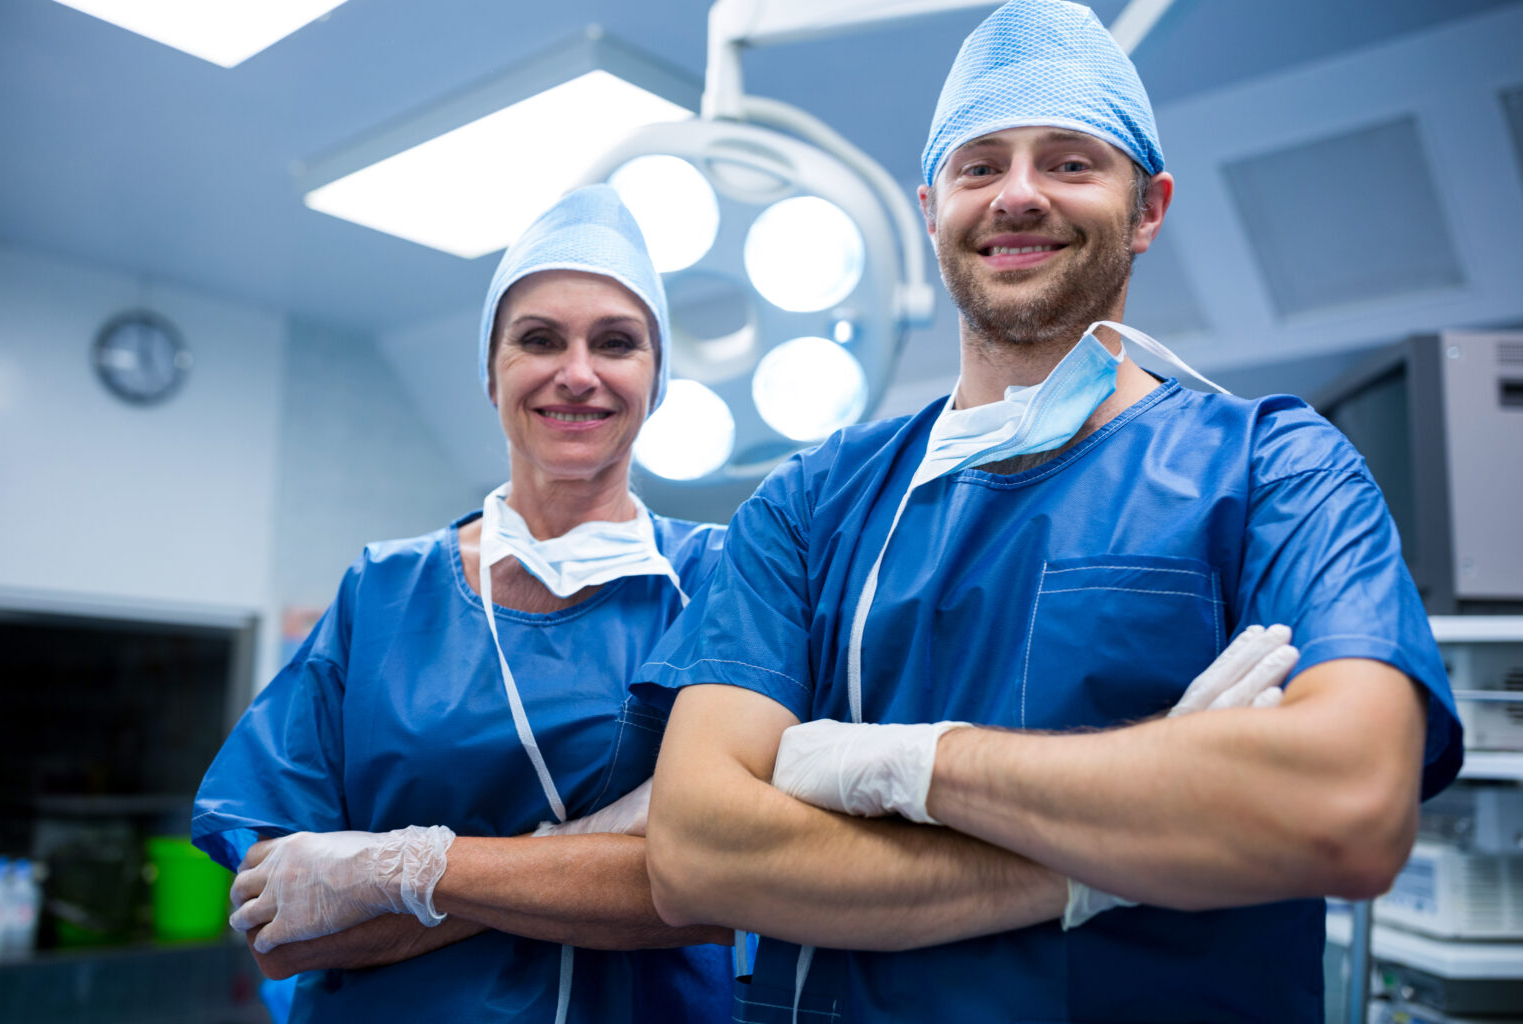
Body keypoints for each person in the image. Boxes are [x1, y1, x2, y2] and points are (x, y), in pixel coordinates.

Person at [635, 2, 1463, 1020]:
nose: (1018, 194)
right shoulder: (813, 505)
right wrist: (1146, 829)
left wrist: (903, 763)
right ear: (932, 209)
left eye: (1070, 162)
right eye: (980, 166)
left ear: (1149, 209)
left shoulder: (1276, 472)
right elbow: (697, 854)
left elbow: (1348, 805)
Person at [192, 185, 733, 1023]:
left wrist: (391, 873)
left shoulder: (724, 581)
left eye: (617, 342)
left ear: (657, 380)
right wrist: (610, 852)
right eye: (539, 339)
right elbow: (281, 931)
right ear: (490, 373)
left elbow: (734, 887)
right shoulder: (383, 593)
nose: (577, 373)